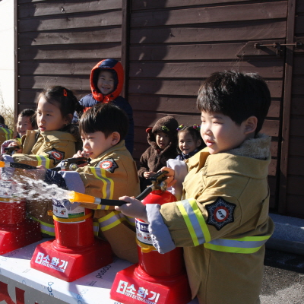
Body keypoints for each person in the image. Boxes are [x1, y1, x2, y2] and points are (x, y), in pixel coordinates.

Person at [117, 71, 275, 304]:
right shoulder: (223, 149)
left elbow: (201, 217)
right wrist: (178, 172)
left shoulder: (240, 179)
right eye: (203, 120)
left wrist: (146, 213)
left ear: (249, 125)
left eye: (217, 121)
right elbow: (196, 163)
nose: (206, 130)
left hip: (225, 283)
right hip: (205, 266)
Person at [42, 103, 140, 263]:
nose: (85, 145)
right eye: (83, 139)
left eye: (91, 139)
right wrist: (73, 163)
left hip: (125, 248)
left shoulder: (118, 162)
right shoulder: (100, 157)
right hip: (105, 245)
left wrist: (55, 176)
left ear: (114, 138)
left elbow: (94, 179)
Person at [9, 86, 83, 237]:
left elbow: (44, 161)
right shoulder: (39, 135)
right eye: (39, 113)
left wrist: (13, 159)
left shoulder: (64, 143)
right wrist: (15, 147)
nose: (41, 119)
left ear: (66, 119)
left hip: (47, 219)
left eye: (48, 114)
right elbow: (27, 151)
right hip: (32, 210)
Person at [78, 59, 135, 154]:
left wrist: (127, 153)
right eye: (102, 79)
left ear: (117, 82)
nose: (105, 83)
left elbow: (128, 133)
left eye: (110, 80)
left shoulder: (122, 105)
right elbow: (75, 125)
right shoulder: (85, 102)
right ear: (95, 79)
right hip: (87, 150)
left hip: (112, 152)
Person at [137, 116, 179, 191]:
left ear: (172, 137)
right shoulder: (149, 151)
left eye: (166, 136)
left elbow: (175, 175)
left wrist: (157, 176)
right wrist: (143, 173)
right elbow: (141, 165)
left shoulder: (175, 154)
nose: (162, 139)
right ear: (154, 135)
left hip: (164, 190)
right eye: (159, 135)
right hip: (145, 188)